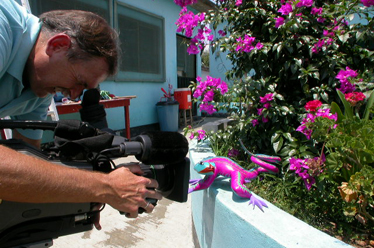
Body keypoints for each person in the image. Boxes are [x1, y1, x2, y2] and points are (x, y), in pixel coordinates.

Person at [0, 0, 162, 228]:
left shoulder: (41, 87)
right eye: (78, 81)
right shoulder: (3, 26)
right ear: (57, 45)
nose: (75, 96)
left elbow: (30, 163)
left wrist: (78, 198)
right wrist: (104, 187)